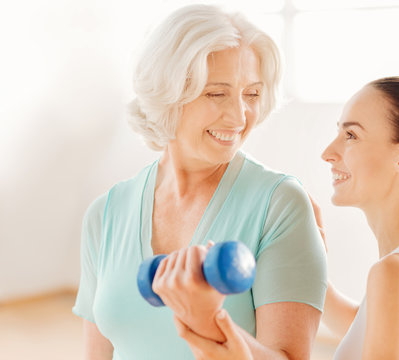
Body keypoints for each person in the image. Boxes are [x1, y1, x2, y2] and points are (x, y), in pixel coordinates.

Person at [176, 77, 399, 359]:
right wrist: (310, 270)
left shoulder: (397, 273)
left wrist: (222, 334)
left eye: (351, 136)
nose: (328, 152)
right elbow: (374, 326)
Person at [72, 5, 327, 360]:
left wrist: (208, 321)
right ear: (167, 94)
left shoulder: (280, 204)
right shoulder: (106, 214)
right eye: (216, 93)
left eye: (251, 94)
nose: (240, 116)